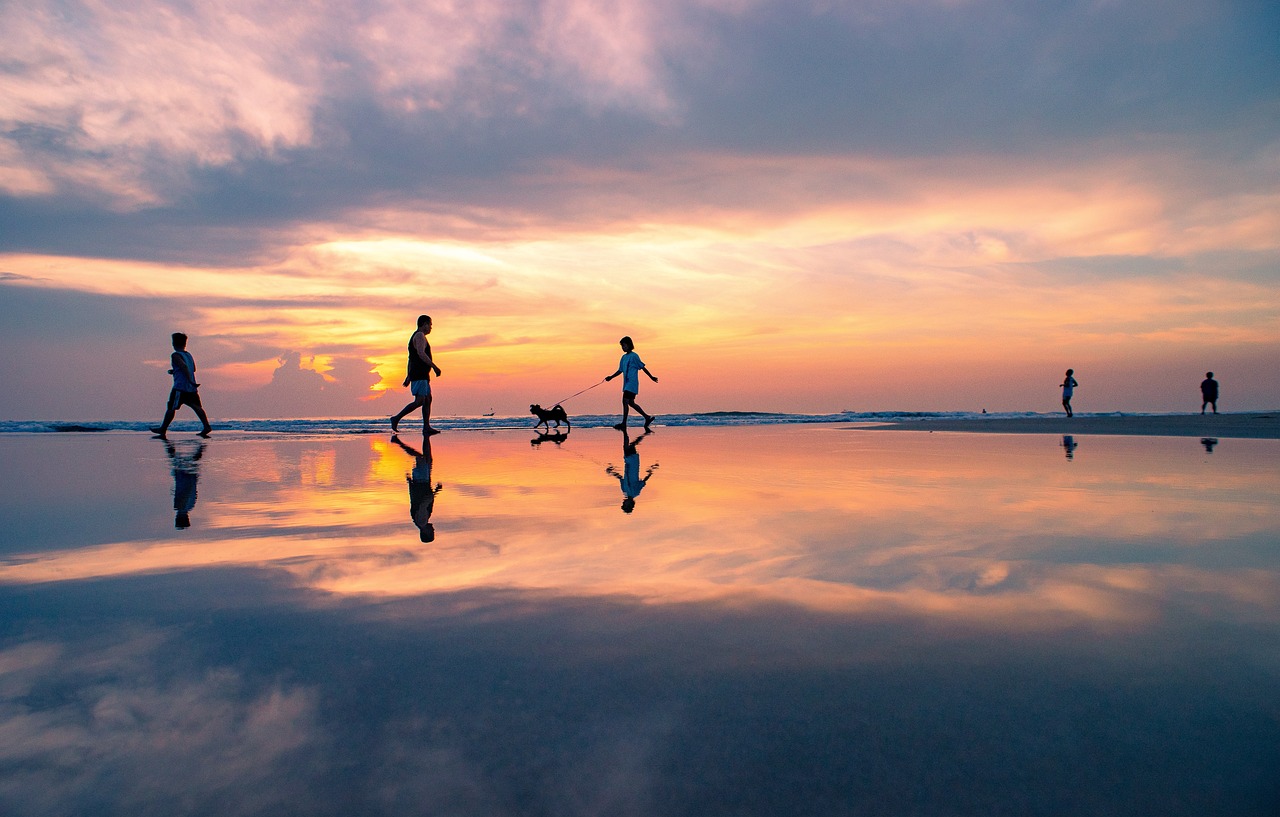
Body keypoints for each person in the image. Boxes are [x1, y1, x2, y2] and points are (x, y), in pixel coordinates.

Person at [151, 332, 212, 439]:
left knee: (171, 407)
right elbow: (192, 369)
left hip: (180, 387)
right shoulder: (188, 355)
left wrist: (188, 379)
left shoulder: (175, 355)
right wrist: (175, 371)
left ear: (173, 343)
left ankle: (163, 429)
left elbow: (184, 367)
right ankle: (206, 426)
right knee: (197, 407)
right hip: (191, 387)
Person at [391, 315, 442, 434]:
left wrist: (408, 375)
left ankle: (426, 427)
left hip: (421, 373)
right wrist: (435, 367)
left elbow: (410, 358)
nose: (431, 327)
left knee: (428, 398)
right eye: (430, 324)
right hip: (419, 373)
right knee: (420, 401)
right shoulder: (419, 336)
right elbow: (420, 353)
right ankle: (396, 418)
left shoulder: (420, 336)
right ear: (424, 324)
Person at [392, 434, 442, 542]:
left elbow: (425, 501)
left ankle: (399, 443)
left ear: (426, 533)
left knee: (421, 458)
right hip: (421, 481)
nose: (433, 529)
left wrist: (435, 491)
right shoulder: (419, 521)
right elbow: (415, 500)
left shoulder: (422, 520)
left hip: (421, 481)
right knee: (427, 458)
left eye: (432, 532)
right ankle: (426, 436)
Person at [604, 336, 658, 429]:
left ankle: (624, 423)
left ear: (629, 345)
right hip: (626, 383)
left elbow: (642, 367)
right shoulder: (623, 357)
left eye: (624, 345)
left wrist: (651, 377)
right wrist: (611, 377)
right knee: (631, 403)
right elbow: (620, 370)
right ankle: (647, 417)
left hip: (632, 383)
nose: (623, 348)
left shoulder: (634, 356)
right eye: (621, 346)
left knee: (625, 401)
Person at [606, 427, 657, 513]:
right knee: (629, 446)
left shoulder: (625, 491)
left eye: (623, 504)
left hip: (628, 464)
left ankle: (634, 432)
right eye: (624, 504)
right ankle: (631, 431)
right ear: (630, 504)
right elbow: (643, 482)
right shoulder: (636, 492)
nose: (623, 502)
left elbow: (621, 478)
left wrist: (612, 472)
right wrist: (650, 472)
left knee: (629, 446)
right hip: (634, 464)